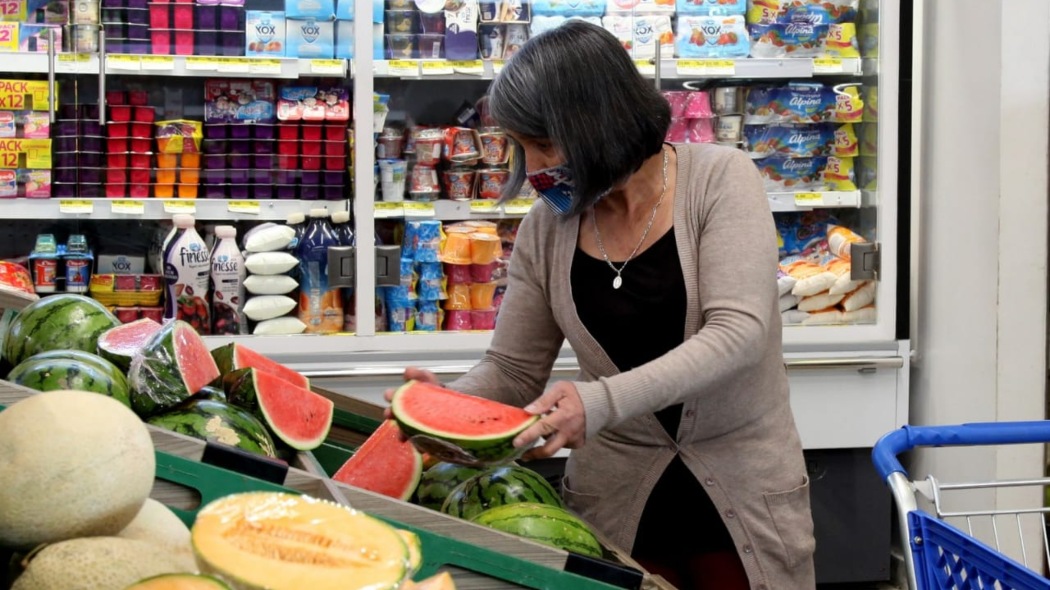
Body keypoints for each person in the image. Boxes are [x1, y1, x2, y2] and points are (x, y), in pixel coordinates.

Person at [387, 20, 816, 590]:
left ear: (598, 124)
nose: (534, 167)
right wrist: (446, 406)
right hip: (615, 504)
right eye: (523, 146)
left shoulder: (720, 179)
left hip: (743, 493)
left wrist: (600, 401)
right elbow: (514, 368)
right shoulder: (548, 227)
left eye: (544, 143)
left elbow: (738, 333)